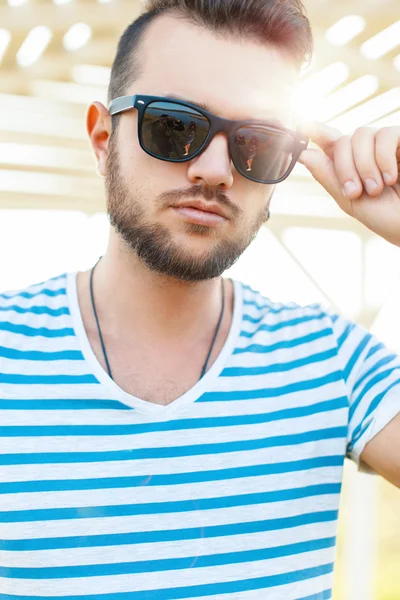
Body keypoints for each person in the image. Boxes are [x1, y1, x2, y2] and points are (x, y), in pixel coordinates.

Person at [1, 0, 399, 598]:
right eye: (174, 126)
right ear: (103, 138)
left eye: (257, 143)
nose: (215, 171)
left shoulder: (334, 359)